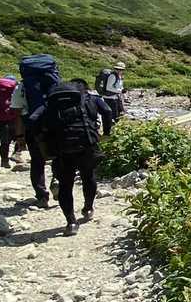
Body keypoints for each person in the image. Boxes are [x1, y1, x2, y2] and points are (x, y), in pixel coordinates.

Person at [32, 78, 111, 236]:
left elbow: (33, 119)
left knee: (65, 185)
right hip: (86, 145)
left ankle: (71, 223)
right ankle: (88, 208)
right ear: (85, 88)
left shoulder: (53, 102)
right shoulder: (90, 98)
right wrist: (106, 133)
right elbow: (107, 111)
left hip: (62, 148)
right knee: (88, 177)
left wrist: (42, 139)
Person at [18, 54, 61, 208]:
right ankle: (57, 180)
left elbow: (18, 111)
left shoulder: (23, 86)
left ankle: (42, 196)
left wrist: (19, 136)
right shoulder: (56, 84)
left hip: (33, 126)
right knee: (59, 157)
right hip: (55, 125)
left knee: (37, 161)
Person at [0, 75, 21, 169]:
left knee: (4, 142)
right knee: (19, 137)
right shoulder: (16, 88)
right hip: (13, 118)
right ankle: (16, 154)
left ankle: (4, 161)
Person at [96, 62, 126, 127]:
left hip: (115, 98)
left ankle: (113, 128)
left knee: (118, 115)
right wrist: (120, 91)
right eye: (117, 69)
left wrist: (122, 91)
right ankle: (111, 129)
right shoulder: (112, 76)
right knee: (113, 115)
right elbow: (108, 88)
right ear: (115, 69)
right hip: (110, 98)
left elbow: (118, 86)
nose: (119, 70)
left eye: (121, 69)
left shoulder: (119, 76)